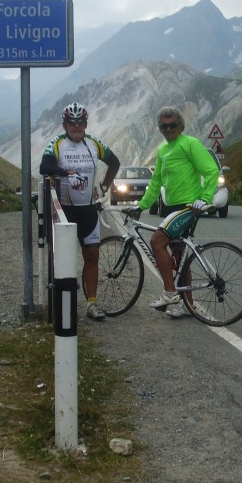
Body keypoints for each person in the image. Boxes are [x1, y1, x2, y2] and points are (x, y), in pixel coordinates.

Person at [132, 106, 220, 318]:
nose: (169, 129)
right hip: (171, 207)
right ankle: (188, 305)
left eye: (173, 125)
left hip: (188, 206)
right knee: (179, 258)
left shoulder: (190, 144)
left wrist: (205, 199)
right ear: (160, 128)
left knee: (157, 241)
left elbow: (211, 170)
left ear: (181, 125)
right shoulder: (163, 150)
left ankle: (170, 292)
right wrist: (141, 206)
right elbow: (156, 182)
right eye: (164, 126)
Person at [39, 102, 121, 320]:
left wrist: (104, 187)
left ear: (85, 124)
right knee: (62, 258)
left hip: (87, 210)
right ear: (65, 125)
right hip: (63, 211)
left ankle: (92, 303)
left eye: (80, 123)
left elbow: (114, 163)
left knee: (92, 255)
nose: (76, 126)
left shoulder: (94, 143)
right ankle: (61, 301)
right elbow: (44, 167)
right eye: (71, 123)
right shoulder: (57, 143)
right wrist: (65, 173)